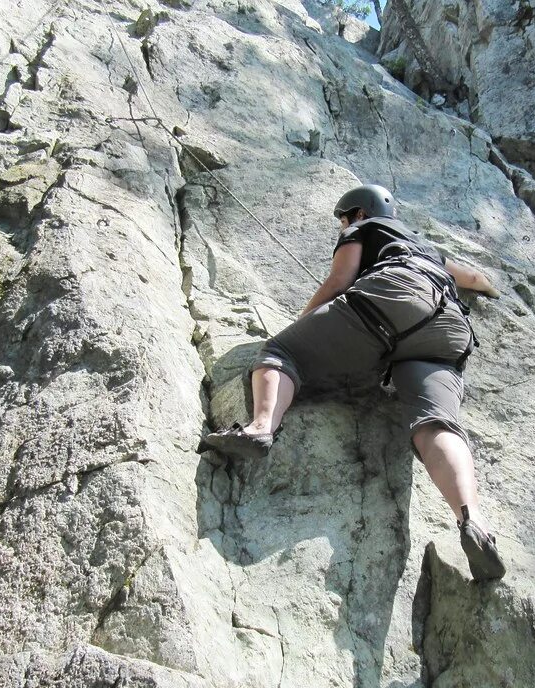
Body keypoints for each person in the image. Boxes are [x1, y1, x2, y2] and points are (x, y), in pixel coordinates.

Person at [204, 184, 506, 581]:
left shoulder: (364, 228)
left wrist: (303, 324)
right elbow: (476, 278)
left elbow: (340, 280)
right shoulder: (425, 247)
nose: (341, 227)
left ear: (359, 214)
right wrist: (490, 289)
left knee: (281, 353)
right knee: (435, 423)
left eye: (343, 220)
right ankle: (472, 520)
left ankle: (261, 429)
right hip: (448, 328)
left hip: (393, 298)